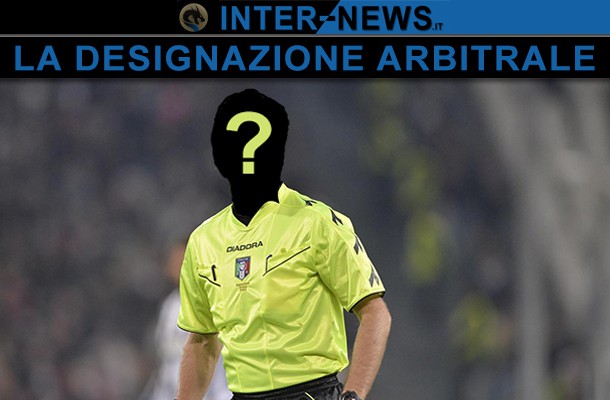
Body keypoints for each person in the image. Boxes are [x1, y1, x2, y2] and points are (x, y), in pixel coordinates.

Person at [176, 88, 392, 400]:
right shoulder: (202, 240)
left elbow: (375, 313)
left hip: (312, 393)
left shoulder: (318, 223)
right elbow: (202, 341)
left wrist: (353, 395)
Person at [141, 238, 232, 400]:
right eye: (175, 261)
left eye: (183, 260)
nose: (178, 266)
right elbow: (165, 362)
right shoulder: (169, 306)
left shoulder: (214, 299)